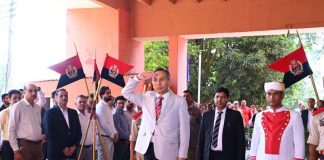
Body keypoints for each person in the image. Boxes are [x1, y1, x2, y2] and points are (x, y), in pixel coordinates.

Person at [122, 68, 190, 160]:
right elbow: (126, 93)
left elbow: (184, 130)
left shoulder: (179, 101)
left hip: (168, 150)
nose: (158, 83)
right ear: (152, 83)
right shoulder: (147, 96)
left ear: (169, 82)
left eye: (162, 79)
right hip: (147, 147)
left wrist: (182, 155)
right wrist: (138, 78)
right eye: (155, 80)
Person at [250, 82, 305, 160]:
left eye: (276, 94)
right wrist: (253, 157)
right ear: (266, 96)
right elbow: (255, 139)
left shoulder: (295, 116)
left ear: (282, 95)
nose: (271, 97)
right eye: (269, 94)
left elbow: (299, 143)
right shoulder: (259, 116)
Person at [196, 87, 245, 160]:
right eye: (217, 97)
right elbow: (201, 139)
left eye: (223, 97)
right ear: (214, 98)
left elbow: (240, 141)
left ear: (227, 99)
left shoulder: (235, 115)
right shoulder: (207, 115)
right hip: (209, 156)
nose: (219, 99)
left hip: (228, 156)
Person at [43, 88, 82, 160]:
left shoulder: (73, 112)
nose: (64, 97)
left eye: (66, 95)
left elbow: (78, 132)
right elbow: (50, 133)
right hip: (56, 153)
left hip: (72, 152)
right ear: (56, 98)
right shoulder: (49, 113)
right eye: (61, 96)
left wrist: (74, 146)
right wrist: (63, 148)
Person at [8, 84, 44, 160]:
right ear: (24, 93)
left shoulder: (37, 107)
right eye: (30, 91)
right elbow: (11, 129)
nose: (34, 93)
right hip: (24, 146)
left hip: (37, 145)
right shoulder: (18, 106)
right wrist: (16, 151)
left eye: (35, 91)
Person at [96, 86, 118, 160]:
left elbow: (110, 122)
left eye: (110, 93)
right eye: (107, 93)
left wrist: (115, 132)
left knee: (109, 158)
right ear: (102, 95)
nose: (109, 94)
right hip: (103, 137)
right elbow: (103, 123)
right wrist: (112, 135)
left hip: (109, 137)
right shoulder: (100, 106)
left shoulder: (107, 106)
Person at [0, 89, 22, 160]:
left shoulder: (23, 112)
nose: (18, 100)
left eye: (19, 98)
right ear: (9, 100)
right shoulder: (4, 113)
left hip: (21, 143)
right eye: (15, 98)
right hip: (8, 144)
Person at [183, 90, 201, 160]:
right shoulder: (179, 109)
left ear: (191, 97)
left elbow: (201, 127)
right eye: (184, 96)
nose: (185, 98)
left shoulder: (197, 111)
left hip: (192, 143)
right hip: (181, 143)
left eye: (188, 96)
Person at [75, 95, 93, 160]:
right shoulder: (73, 116)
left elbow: (93, 130)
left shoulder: (90, 116)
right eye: (80, 102)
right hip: (79, 148)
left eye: (84, 102)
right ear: (76, 104)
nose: (82, 103)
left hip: (90, 148)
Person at [113, 96, 131, 160]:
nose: (121, 105)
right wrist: (127, 137)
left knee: (125, 158)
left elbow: (128, 127)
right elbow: (118, 129)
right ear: (115, 104)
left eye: (123, 103)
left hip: (126, 141)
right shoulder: (115, 115)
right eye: (119, 103)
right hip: (120, 141)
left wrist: (129, 137)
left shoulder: (125, 114)